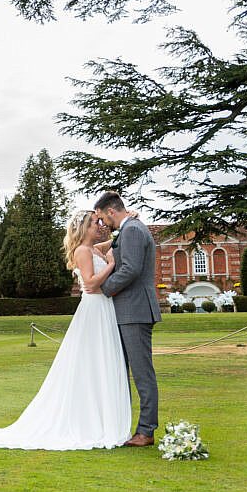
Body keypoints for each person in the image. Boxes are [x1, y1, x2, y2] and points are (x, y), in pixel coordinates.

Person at [0, 209, 131, 450]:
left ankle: (101, 417)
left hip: (103, 309)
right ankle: (91, 421)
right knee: (91, 361)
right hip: (94, 309)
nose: (99, 226)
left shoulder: (93, 249)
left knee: (100, 361)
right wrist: (110, 266)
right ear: (84, 228)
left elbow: (114, 242)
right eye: (94, 223)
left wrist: (127, 223)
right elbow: (89, 284)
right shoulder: (82, 251)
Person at [95, 190, 161, 447]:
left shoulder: (132, 230)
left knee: (142, 373)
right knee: (123, 371)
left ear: (111, 211)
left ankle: (146, 431)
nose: (102, 224)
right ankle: (126, 426)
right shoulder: (129, 228)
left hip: (136, 311)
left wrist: (104, 288)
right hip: (128, 311)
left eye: (102, 218)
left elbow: (131, 269)